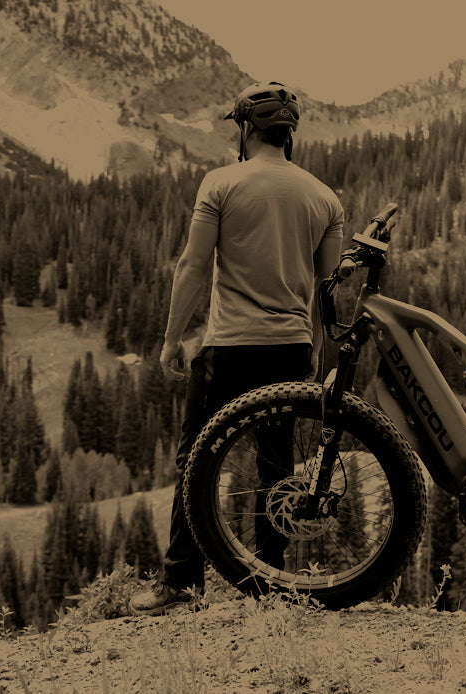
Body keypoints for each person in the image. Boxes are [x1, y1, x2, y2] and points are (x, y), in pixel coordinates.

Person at [129, 81, 344, 615]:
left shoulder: (220, 183)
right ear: (289, 134)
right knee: (275, 467)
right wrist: (316, 351)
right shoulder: (325, 198)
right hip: (290, 348)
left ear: (246, 130)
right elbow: (326, 281)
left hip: (228, 348)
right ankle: (270, 587)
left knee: (195, 461)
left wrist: (172, 337)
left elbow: (194, 265)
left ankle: (181, 584)